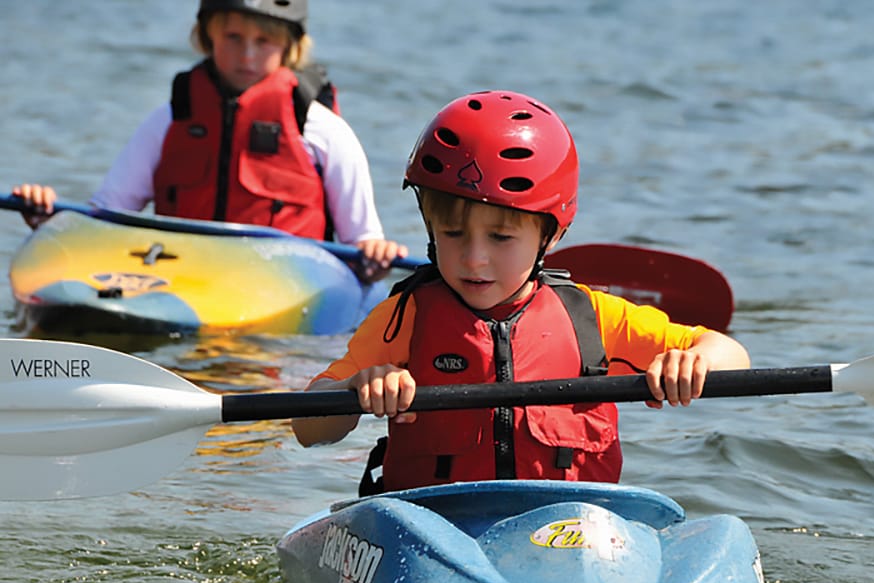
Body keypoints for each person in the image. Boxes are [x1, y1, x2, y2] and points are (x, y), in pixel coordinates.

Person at [292, 89, 750, 493]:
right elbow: (309, 427)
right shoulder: (403, 319)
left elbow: (731, 354)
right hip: (433, 535)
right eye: (453, 233)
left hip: (568, 536)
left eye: (501, 238)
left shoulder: (594, 318)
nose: (474, 258)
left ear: (548, 237)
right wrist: (357, 388)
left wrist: (695, 362)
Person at [12, 0, 406, 281]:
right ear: (207, 37)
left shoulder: (321, 129)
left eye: (263, 41)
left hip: (281, 281)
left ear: (290, 46)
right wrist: (47, 219)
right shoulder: (171, 117)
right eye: (233, 37)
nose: (246, 55)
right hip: (179, 274)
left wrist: (376, 255)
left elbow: (362, 241)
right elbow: (105, 215)